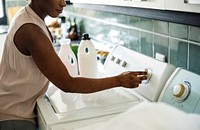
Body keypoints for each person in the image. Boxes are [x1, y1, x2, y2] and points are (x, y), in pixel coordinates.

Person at [0, 0, 147, 129]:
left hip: (15, 110)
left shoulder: (29, 17)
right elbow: (67, 83)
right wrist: (119, 80)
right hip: (13, 118)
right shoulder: (31, 30)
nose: (63, 3)